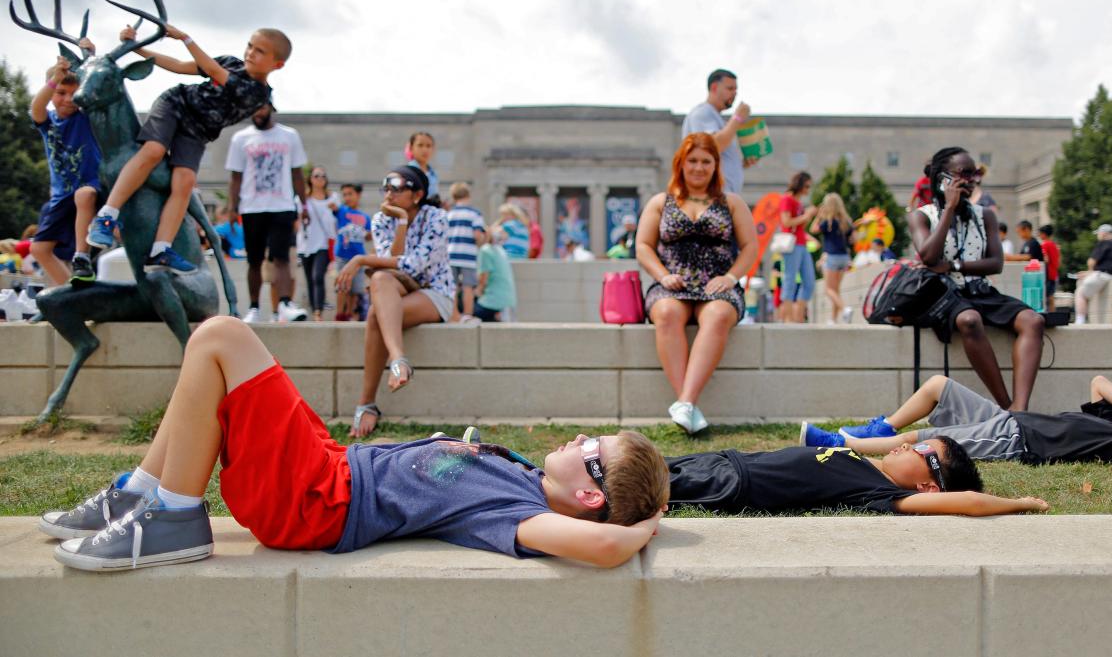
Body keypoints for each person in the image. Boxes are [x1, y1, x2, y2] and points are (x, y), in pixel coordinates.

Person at [38, 316, 669, 572]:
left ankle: (173, 517)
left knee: (221, 338)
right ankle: (140, 494)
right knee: (215, 365)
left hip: (319, 500)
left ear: (588, 493)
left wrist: (647, 521)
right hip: (333, 467)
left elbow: (608, 545)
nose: (582, 435)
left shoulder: (519, 515)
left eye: (595, 448)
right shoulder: (526, 479)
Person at [88, 25, 289, 276]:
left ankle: (160, 249)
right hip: (176, 105)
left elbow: (215, 71)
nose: (250, 53)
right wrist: (137, 48)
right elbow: (180, 65)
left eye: (260, 51)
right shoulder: (231, 62)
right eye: (250, 46)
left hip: (197, 131)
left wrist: (185, 37)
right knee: (153, 151)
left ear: (277, 65)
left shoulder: (259, 94)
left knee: (185, 181)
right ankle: (107, 216)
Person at [804, 374, 1112, 468]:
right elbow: (1099, 384)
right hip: (1013, 422)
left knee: (931, 437)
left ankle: (843, 448)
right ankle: (881, 429)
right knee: (939, 386)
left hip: (1018, 442)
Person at [907, 147, 1045, 412]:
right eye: (964, 174)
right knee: (969, 320)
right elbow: (927, 255)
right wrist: (949, 209)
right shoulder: (922, 216)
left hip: (980, 291)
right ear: (943, 179)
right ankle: (1006, 407)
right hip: (945, 295)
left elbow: (996, 262)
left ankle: (1020, 409)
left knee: (1033, 320)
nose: (971, 181)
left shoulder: (985, 215)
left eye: (975, 176)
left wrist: (953, 265)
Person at [636, 133, 757, 435]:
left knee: (717, 315)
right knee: (665, 314)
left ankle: (685, 403)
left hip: (718, 285)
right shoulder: (659, 202)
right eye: (693, 161)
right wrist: (662, 275)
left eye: (706, 161)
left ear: (716, 165)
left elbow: (751, 247)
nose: (699, 167)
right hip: (671, 283)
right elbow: (643, 246)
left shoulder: (731, 202)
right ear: (681, 163)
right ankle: (687, 405)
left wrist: (730, 278)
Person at [335, 167, 454, 438]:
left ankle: (366, 403)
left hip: (434, 292)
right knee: (379, 279)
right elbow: (392, 261)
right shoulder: (381, 219)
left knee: (378, 314)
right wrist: (401, 221)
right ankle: (399, 359)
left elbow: (414, 265)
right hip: (397, 288)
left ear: (417, 194)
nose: (389, 194)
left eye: (397, 189)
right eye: (386, 188)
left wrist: (362, 259)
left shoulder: (436, 217)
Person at [666, 436, 1049, 517]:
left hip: (728, 485)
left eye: (922, 451)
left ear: (929, 486)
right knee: (625, 458)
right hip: (722, 461)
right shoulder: (869, 465)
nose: (907, 446)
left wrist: (1020, 504)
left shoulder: (877, 490)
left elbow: (968, 501)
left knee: (623, 485)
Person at [224, 103, 309, 323]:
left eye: (260, 108)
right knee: (254, 260)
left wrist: (304, 205)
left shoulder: (289, 136)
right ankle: (253, 308)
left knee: (281, 258)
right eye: (252, 109)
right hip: (252, 207)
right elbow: (236, 177)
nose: (256, 113)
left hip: (282, 205)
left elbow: (297, 173)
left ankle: (284, 304)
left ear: (271, 107)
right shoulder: (240, 138)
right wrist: (232, 208)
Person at [30, 48, 102, 287]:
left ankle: (82, 258)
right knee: (39, 248)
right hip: (61, 195)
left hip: (91, 186)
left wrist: (89, 55)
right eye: (61, 92)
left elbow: (97, 87)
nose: (69, 99)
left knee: (85, 195)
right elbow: (36, 108)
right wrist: (55, 78)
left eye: (74, 93)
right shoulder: (48, 122)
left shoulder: (85, 116)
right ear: (51, 92)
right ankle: (70, 291)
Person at [681, 69, 755, 194]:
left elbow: (718, 156)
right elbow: (713, 146)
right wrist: (738, 118)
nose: (734, 94)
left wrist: (742, 163)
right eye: (730, 88)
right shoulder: (702, 113)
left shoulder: (717, 119)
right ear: (714, 87)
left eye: (736, 90)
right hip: (713, 195)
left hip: (724, 196)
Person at [298, 167, 339, 321]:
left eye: (323, 175)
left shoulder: (333, 198)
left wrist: (335, 211)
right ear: (311, 179)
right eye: (316, 176)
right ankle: (313, 307)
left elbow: (337, 219)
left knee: (318, 276)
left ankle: (318, 311)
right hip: (306, 244)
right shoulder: (304, 200)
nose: (320, 178)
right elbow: (297, 221)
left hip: (324, 243)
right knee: (309, 278)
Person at [777, 172, 817, 323]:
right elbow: (786, 222)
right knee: (789, 280)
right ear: (799, 184)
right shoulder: (787, 199)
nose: (808, 189)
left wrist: (808, 216)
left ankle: (797, 316)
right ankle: (785, 318)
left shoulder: (799, 203)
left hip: (802, 243)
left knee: (809, 282)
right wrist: (807, 215)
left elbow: (801, 225)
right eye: (807, 186)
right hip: (791, 244)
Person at [446, 182, 486, 318]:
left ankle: (454, 314)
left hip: (451, 255)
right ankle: (467, 315)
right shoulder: (475, 214)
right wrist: (481, 240)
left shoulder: (448, 214)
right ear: (468, 195)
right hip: (468, 255)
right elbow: (477, 235)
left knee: (453, 286)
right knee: (468, 286)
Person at [1074, 223, 1112, 325]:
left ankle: (1080, 320)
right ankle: (1085, 319)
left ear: (1104, 234)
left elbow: (1091, 261)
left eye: (1099, 234)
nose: (1098, 236)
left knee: (1080, 293)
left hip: (1102, 276)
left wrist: (1089, 271)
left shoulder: (1104, 243)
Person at [333, 183, 371, 321]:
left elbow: (368, 235)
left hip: (358, 256)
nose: (347, 197)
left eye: (350, 194)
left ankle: (349, 313)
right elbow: (334, 207)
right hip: (343, 255)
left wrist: (370, 235)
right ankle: (340, 314)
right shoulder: (342, 211)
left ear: (358, 195)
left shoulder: (365, 217)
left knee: (355, 288)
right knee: (343, 286)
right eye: (344, 194)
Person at [814, 193, 854, 324]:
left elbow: (813, 229)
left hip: (831, 256)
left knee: (829, 290)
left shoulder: (827, 222)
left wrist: (819, 215)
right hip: (844, 257)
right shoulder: (846, 222)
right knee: (835, 290)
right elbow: (853, 239)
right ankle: (833, 319)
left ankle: (844, 309)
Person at [475, 224, 517, 322]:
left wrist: (476, 292)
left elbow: (483, 281)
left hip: (493, 302)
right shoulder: (500, 250)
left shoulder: (485, 250)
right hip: (509, 302)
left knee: (468, 312)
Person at [406, 131, 440, 202]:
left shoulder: (433, 174)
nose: (425, 150)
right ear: (411, 148)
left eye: (428, 146)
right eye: (420, 145)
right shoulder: (407, 172)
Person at [1038, 224, 1061, 311]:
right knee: (1051, 297)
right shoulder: (1054, 245)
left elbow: (1046, 259)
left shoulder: (1045, 245)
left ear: (1043, 234)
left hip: (1048, 275)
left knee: (1046, 297)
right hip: (1055, 274)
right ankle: (1053, 315)